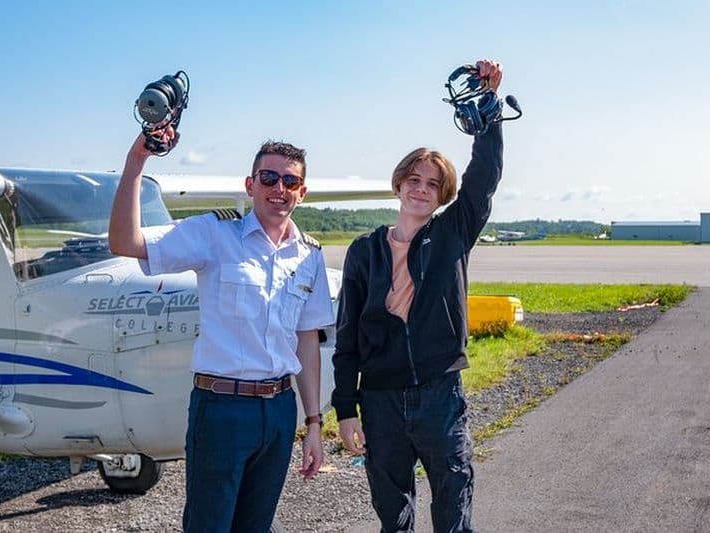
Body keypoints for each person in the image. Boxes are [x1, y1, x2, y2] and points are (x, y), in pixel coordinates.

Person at [109, 130, 333, 532]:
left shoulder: (309, 255)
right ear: (250, 185)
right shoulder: (214, 235)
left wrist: (313, 423)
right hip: (222, 408)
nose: (278, 189)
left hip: (280, 410)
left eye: (290, 181)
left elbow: (306, 341)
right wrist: (137, 161)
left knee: (256, 525)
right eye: (268, 178)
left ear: (302, 192)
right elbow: (126, 242)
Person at [331, 59, 504, 532]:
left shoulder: (452, 233)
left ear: (443, 193)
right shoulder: (365, 251)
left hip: (439, 394)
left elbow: (484, 177)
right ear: (399, 183)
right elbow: (346, 339)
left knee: (453, 504)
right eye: (414, 180)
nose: (421, 190)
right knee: (393, 515)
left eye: (432, 184)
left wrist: (488, 109)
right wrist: (346, 409)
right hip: (381, 400)